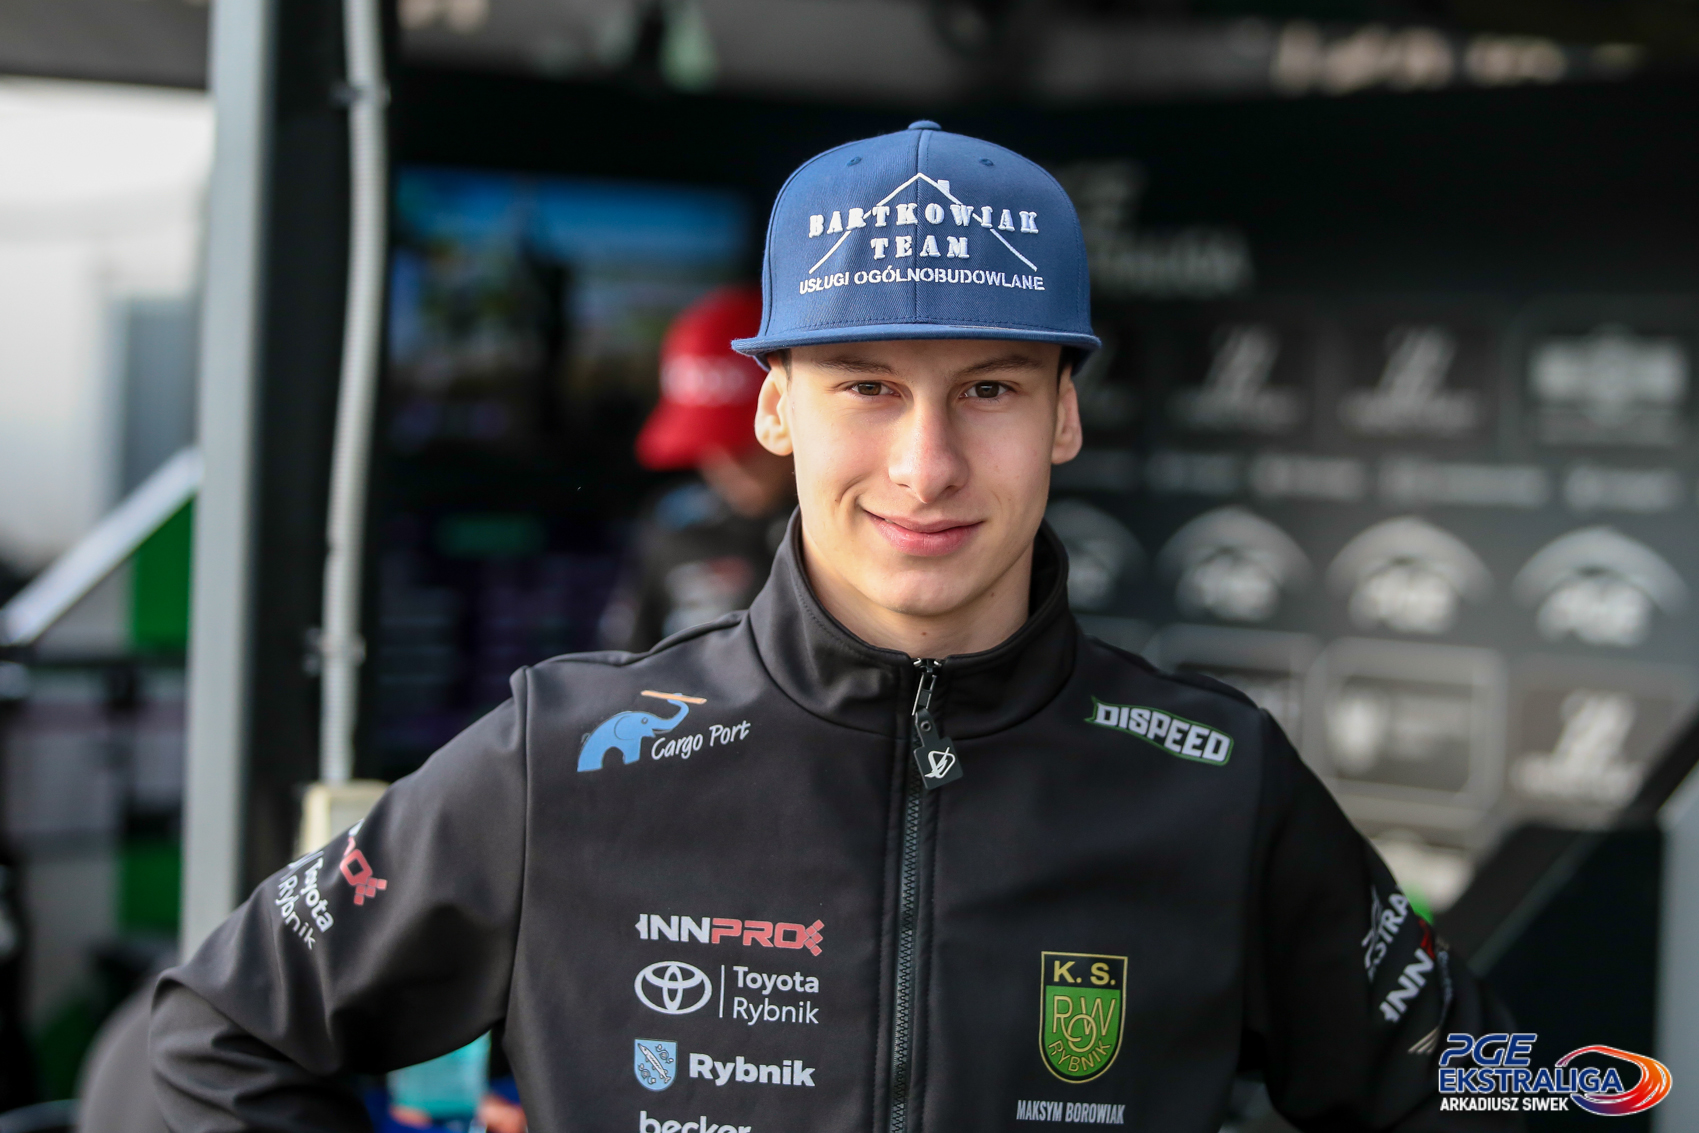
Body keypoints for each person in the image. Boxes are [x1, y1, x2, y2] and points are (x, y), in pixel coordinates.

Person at [152, 121, 1516, 1132]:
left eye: (987, 389)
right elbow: (217, 1038)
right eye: (866, 385)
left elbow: (1493, 1091)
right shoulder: (563, 755)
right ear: (773, 409)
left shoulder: (1210, 778)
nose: (926, 465)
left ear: (1062, 414)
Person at [600, 285, 795, 653]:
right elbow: (627, 661)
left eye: (742, 443)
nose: (724, 462)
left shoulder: (862, 526)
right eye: (705, 440)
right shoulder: (675, 525)